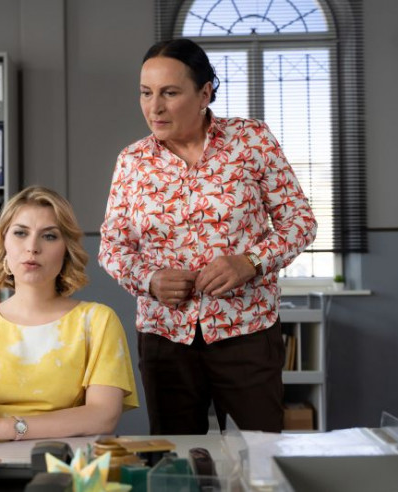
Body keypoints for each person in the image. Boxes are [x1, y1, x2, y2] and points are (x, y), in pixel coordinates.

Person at [99, 38, 317, 435]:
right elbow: (113, 248)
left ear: (204, 93)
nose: (154, 107)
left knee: (261, 452)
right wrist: (150, 280)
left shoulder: (251, 140)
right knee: (177, 458)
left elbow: (299, 222)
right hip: (165, 337)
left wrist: (250, 262)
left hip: (247, 332)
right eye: (146, 93)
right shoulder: (132, 162)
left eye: (169, 93)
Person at [0, 186, 138, 442]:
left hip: (63, 456)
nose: (32, 247)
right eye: (20, 233)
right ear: (3, 244)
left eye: (49, 236)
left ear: (66, 250)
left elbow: (103, 416)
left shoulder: (97, 320)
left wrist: (2, 428)